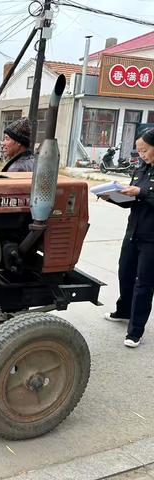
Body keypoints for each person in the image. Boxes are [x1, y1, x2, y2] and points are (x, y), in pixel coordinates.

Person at [103, 129, 154, 348]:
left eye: (145, 149)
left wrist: (140, 193)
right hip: (133, 231)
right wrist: (112, 197)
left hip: (152, 238)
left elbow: (143, 196)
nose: (141, 154)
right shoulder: (141, 169)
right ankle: (123, 310)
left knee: (143, 283)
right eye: (139, 150)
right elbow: (133, 200)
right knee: (125, 272)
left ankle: (135, 331)